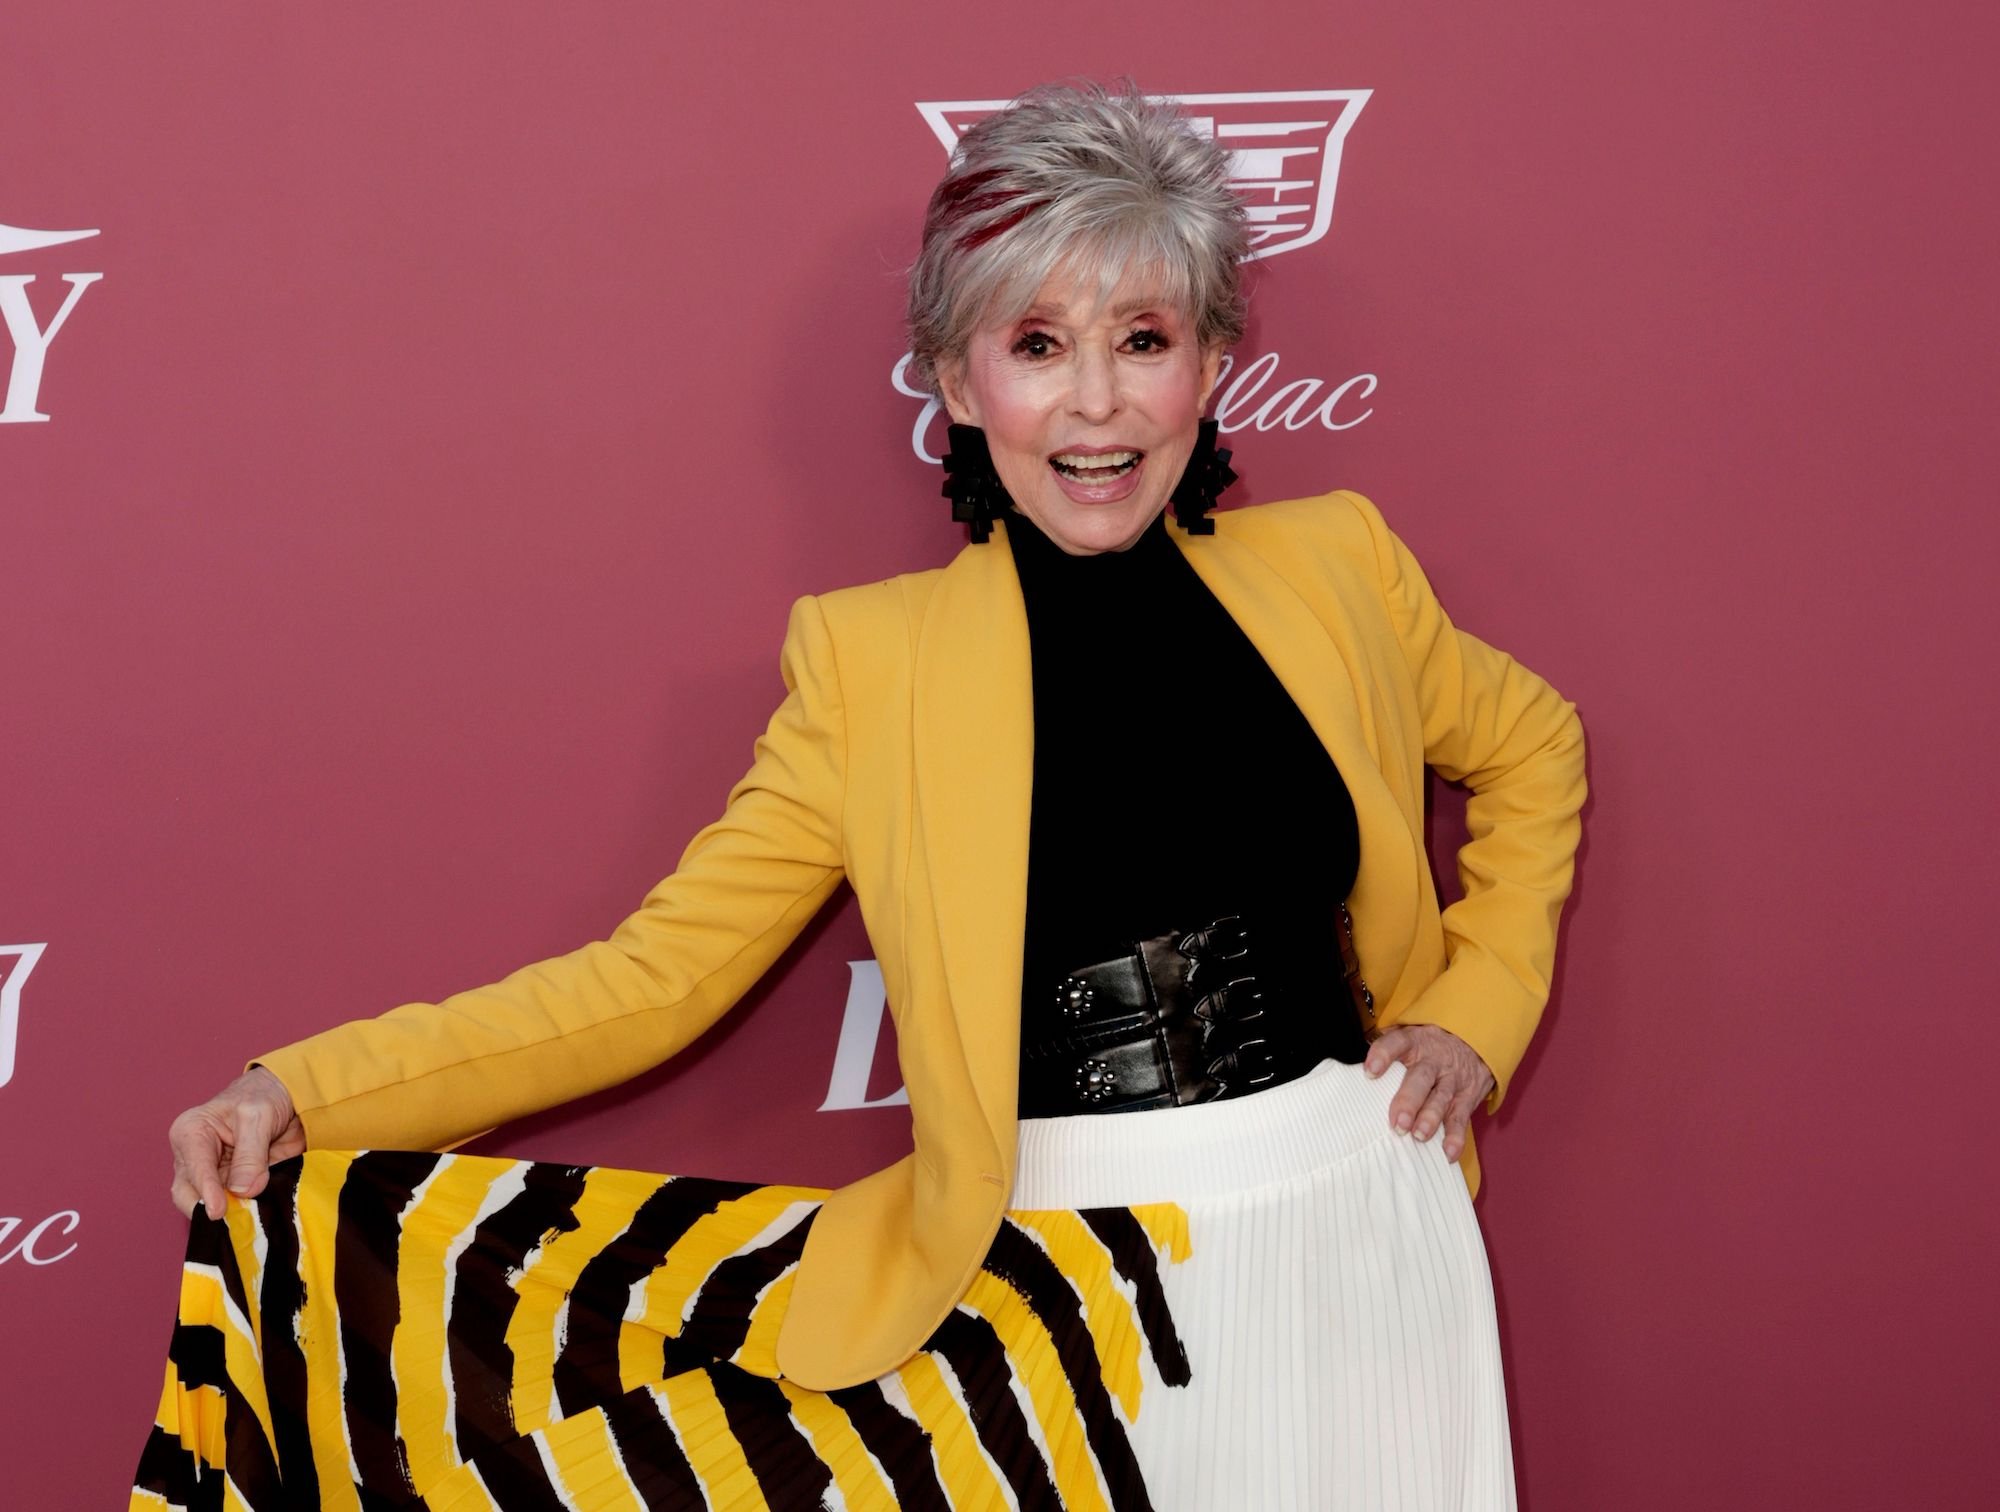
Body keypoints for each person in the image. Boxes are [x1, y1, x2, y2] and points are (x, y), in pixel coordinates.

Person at [138, 81, 1585, 1511]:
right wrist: (305, 1090)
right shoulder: (869, 664)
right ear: (960, 383)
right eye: (1037, 343)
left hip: (1366, 1225)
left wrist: (1475, 1006)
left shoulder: (1339, 572)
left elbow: (1533, 745)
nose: (1095, 400)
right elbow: (655, 980)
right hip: (1058, 1287)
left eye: (1141, 338)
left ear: (1207, 364)